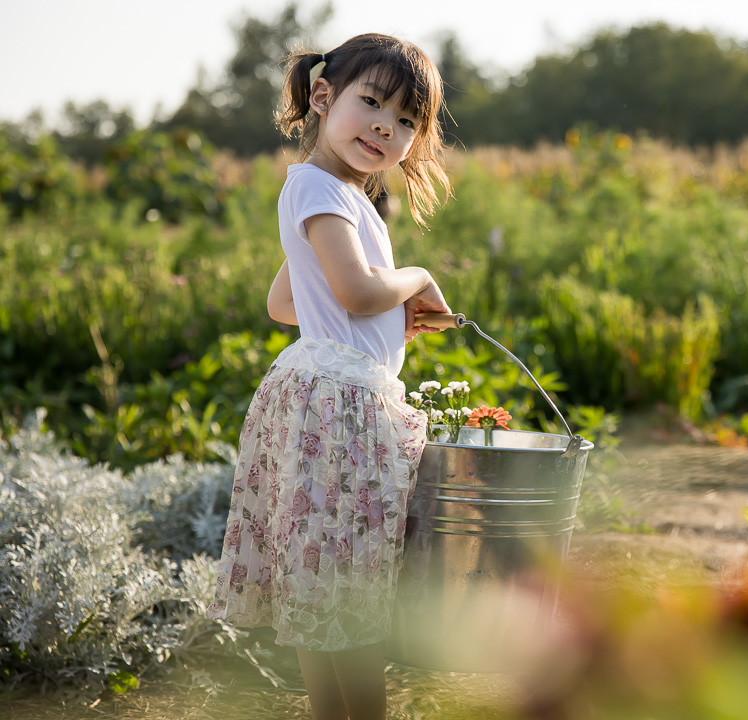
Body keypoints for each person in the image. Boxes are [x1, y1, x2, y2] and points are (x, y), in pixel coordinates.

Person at [206, 33, 452, 720]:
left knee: (331, 581)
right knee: (353, 586)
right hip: (338, 408)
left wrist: (366, 308)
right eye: (371, 102)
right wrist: (416, 279)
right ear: (322, 97)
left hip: (333, 397)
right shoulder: (319, 188)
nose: (386, 126)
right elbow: (356, 291)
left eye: (406, 120)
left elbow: (284, 303)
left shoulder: (336, 196)